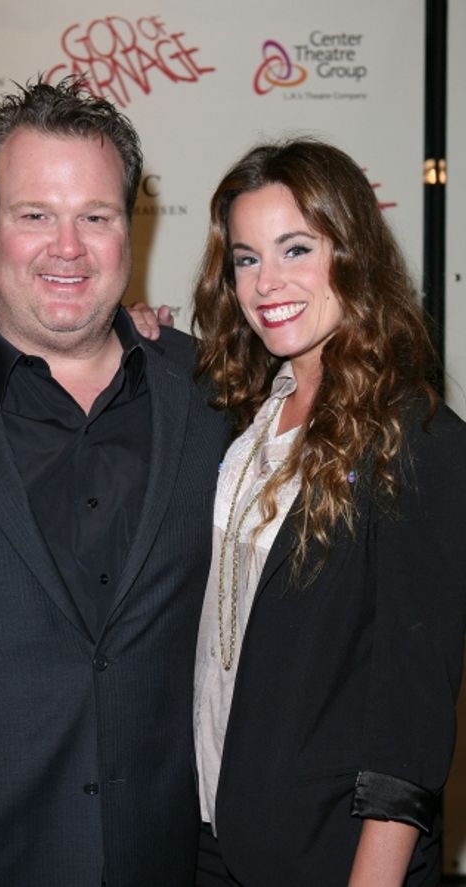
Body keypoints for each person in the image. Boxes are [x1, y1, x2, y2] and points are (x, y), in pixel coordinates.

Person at [0, 77, 229, 886]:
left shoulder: (218, 398)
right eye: (34, 215)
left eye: (95, 217)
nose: (68, 248)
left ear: (129, 230)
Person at [132, 138, 466, 887]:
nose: (267, 283)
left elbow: (410, 727)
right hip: (199, 838)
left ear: (353, 253)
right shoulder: (242, 413)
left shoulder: (419, 443)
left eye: (296, 249)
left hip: (322, 858)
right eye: (246, 258)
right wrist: (138, 336)